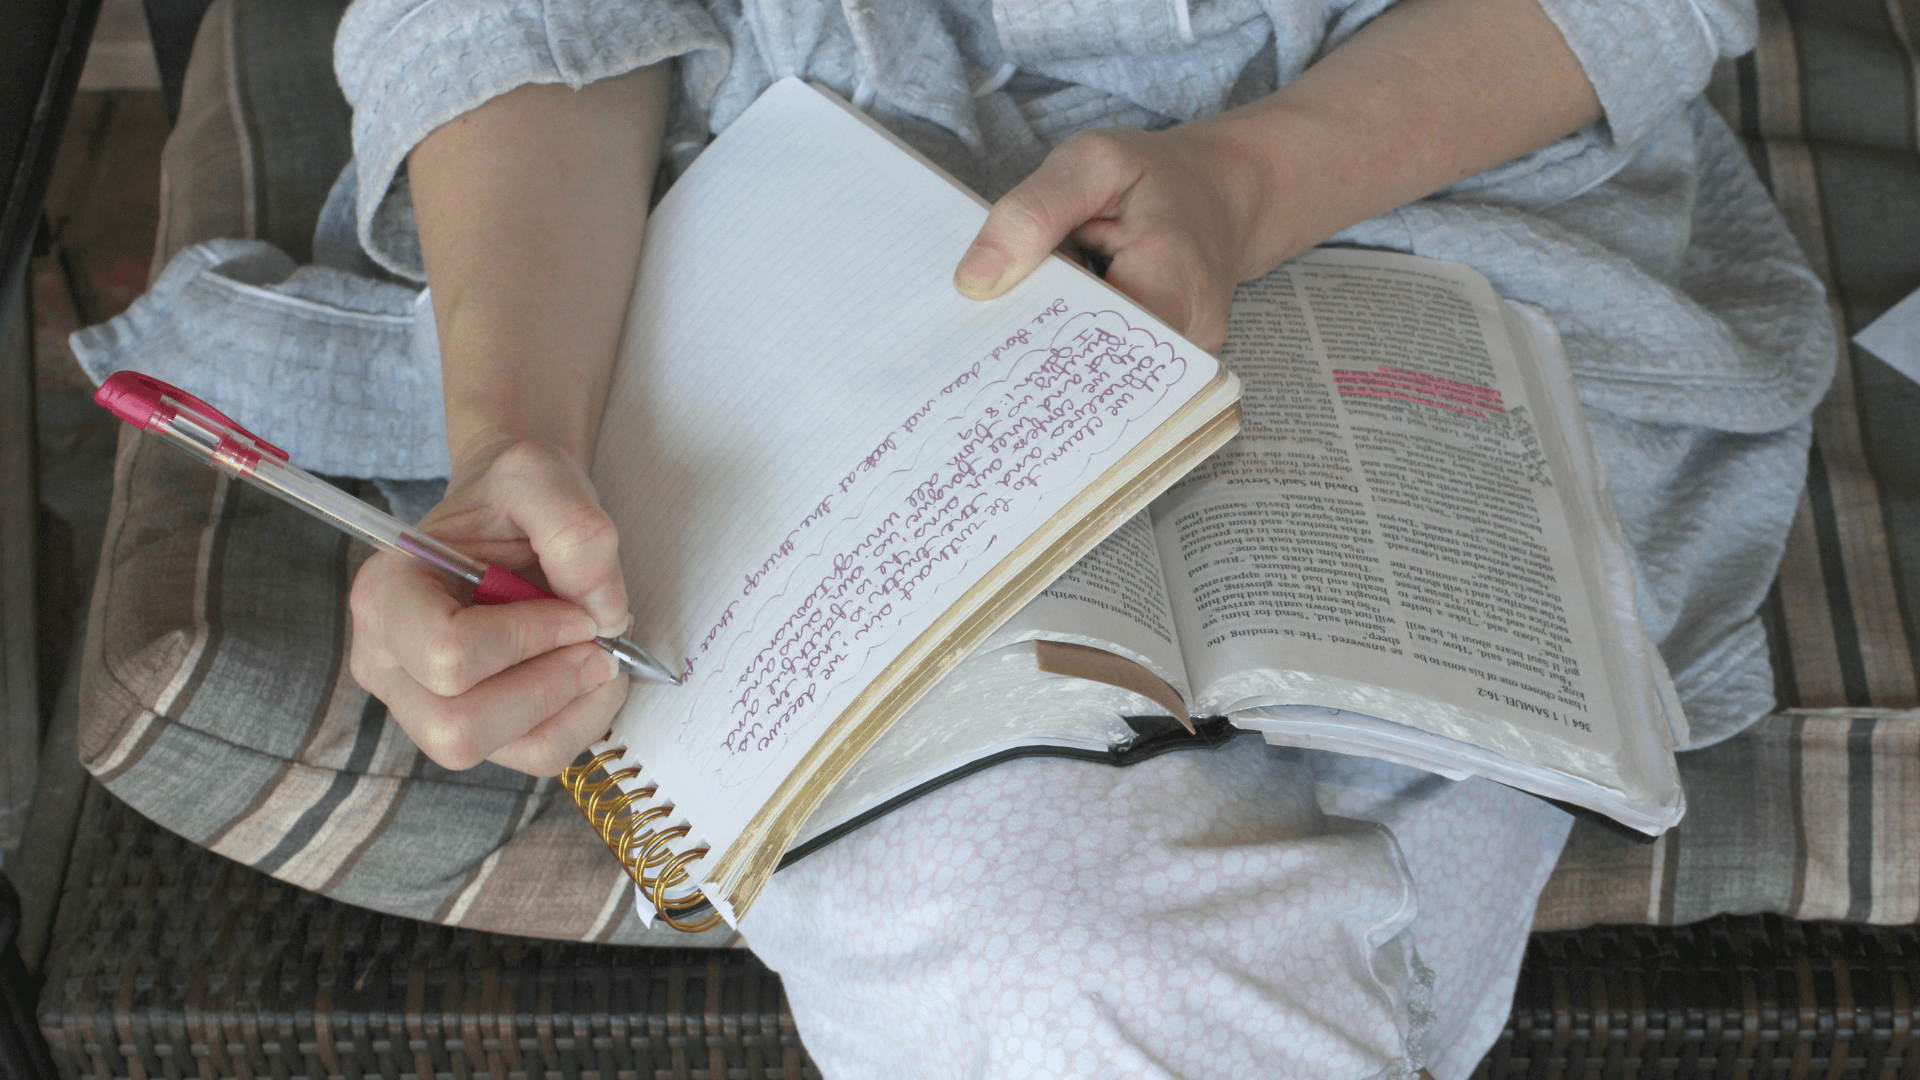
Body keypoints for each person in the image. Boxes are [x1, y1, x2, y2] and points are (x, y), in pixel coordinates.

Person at [331, 0, 1833, 1074]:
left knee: (1154, 943)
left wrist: (1250, 181)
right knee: (1048, 961)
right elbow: (504, 25)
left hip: (1416, 199)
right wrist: (512, 435)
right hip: (830, 274)